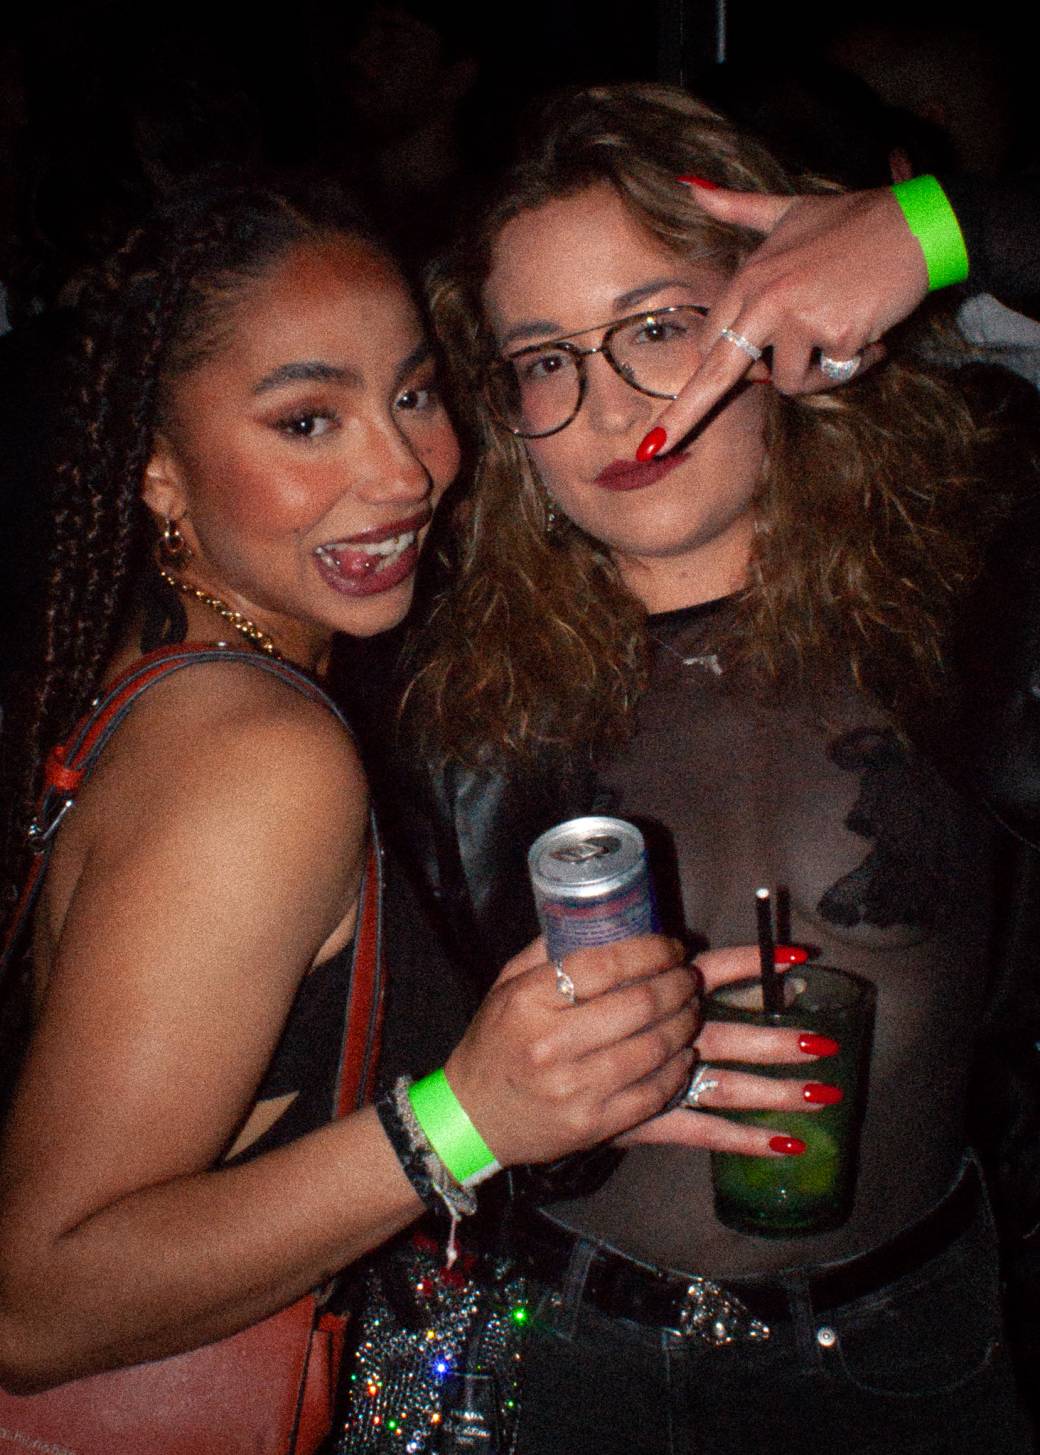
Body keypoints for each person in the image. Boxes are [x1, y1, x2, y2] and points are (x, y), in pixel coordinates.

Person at [0, 179, 789, 1406]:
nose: (404, 471)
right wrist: (464, 1120)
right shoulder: (258, 754)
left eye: (413, 395)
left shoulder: (166, 680)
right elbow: (34, 1305)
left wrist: (559, 1093)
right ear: (157, 472)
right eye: (307, 421)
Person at [404, 84, 1033, 1452]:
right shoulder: (445, 692)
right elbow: (396, 1089)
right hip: (565, 1360)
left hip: (904, 1357)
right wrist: (533, 1103)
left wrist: (941, 230)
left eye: (657, 326)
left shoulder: (976, 589)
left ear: (786, 312)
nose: (606, 404)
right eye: (544, 358)